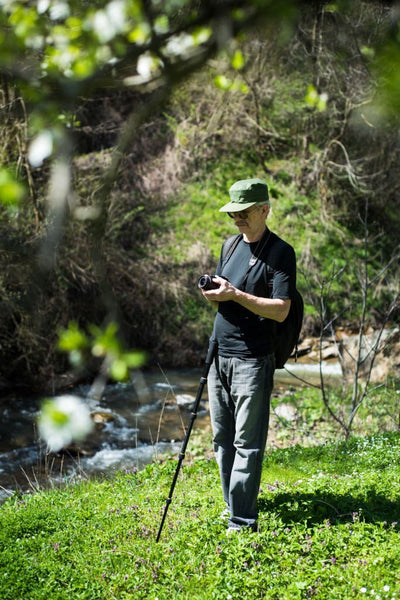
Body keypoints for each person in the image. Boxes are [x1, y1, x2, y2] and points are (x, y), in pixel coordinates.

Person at [201, 178, 297, 533]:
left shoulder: (280, 252)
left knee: (247, 443)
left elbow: (281, 310)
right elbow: (224, 291)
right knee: (221, 439)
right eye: (233, 214)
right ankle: (233, 505)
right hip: (219, 356)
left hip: (252, 360)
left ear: (264, 210)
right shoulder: (230, 245)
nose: (237, 220)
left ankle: (242, 522)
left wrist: (236, 294)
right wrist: (215, 294)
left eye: (244, 213)